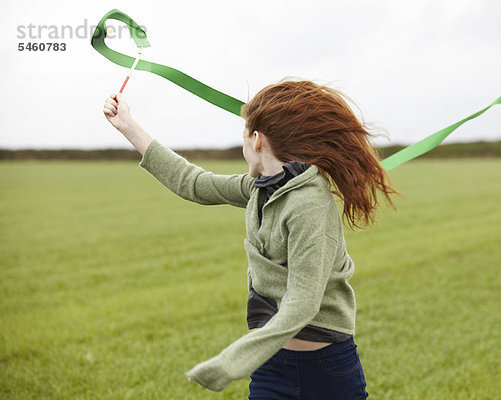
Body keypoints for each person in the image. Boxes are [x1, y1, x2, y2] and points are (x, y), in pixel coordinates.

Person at [102, 79, 401, 399]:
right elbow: (192, 183)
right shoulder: (263, 188)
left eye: (244, 134)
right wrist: (128, 126)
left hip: (325, 370)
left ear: (257, 140)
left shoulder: (309, 205)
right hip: (271, 363)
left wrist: (230, 363)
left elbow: (302, 305)